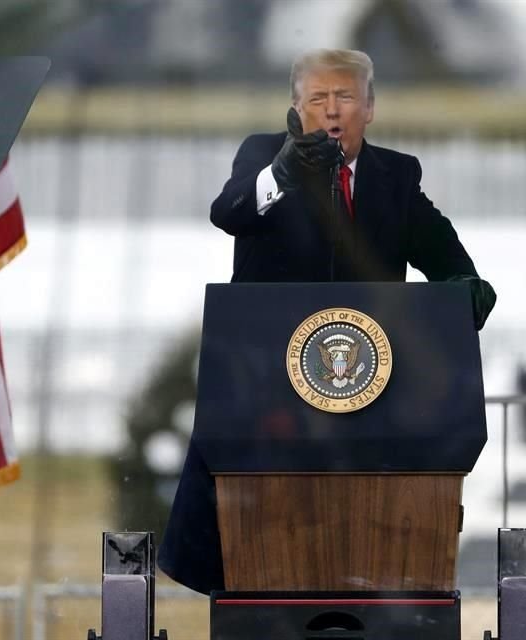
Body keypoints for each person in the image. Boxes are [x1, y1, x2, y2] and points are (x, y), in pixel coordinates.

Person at [158, 49, 496, 595]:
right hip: (268, 388)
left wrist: (464, 291)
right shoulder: (264, 154)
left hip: (373, 396)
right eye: (318, 99)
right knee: (256, 538)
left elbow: (449, 260)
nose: (331, 111)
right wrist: (282, 174)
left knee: (361, 537)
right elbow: (229, 212)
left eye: (344, 98)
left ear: (370, 107)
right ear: (295, 108)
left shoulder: (396, 175)